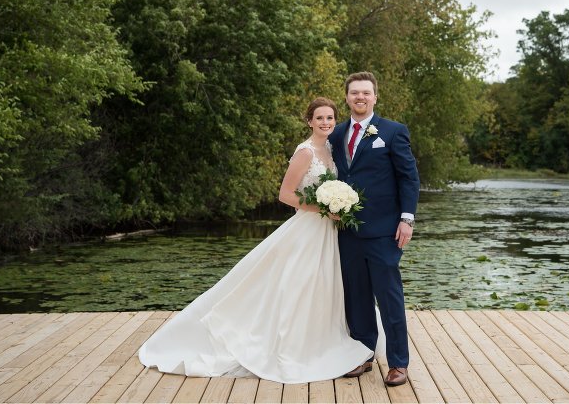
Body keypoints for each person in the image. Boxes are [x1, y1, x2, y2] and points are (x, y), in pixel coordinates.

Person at [138, 97, 374, 383]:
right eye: (320, 118)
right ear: (309, 121)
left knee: (322, 284)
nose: (325, 122)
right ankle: (289, 345)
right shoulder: (305, 152)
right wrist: (323, 207)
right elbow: (285, 194)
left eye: (330, 118)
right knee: (298, 284)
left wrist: (338, 207)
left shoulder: (331, 149)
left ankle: (319, 339)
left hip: (327, 232)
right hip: (307, 229)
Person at [328, 71, 420, 387]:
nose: (360, 97)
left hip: (384, 231)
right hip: (347, 230)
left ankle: (398, 363)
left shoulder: (393, 131)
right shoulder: (336, 134)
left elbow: (409, 177)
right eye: (355, 92)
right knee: (357, 297)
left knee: (389, 297)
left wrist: (407, 219)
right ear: (347, 97)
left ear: (375, 97)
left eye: (366, 92)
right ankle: (363, 355)